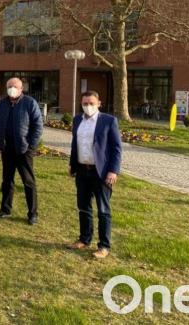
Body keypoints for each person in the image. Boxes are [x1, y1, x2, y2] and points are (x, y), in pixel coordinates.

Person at [67, 90, 122, 259]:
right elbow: (76, 143)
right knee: (84, 207)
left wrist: (113, 170)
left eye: (91, 103)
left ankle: (104, 246)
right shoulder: (77, 120)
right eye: (85, 103)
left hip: (102, 172)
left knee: (103, 210)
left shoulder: (108, 121)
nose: (88, 106)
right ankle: (84, 239)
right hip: (82, 171)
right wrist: (72, 163)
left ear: (99, 103)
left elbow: (116, 148)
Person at [0, 77, 43, 225]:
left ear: (21, 89)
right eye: (9, 86)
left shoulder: (29, 103)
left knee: (28, 182)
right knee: (7, 181)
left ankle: (32, 213)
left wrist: (30, 146)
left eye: (15, 86)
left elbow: (38, 126)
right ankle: (5, 209)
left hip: (24, 150)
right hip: (7, 149)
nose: (12, 89)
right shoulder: (2, 104)